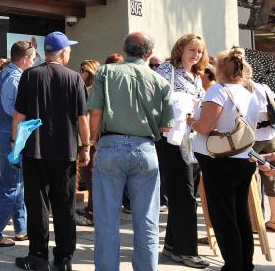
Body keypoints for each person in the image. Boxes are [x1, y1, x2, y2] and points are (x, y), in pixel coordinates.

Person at [89, 32, 174, 271]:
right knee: (147, 221)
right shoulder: (161, 82)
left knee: (106, 220)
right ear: (148, 53)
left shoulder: (106, 72)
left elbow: (95, 112)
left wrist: (94, 141)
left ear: (124, 49)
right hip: (145, 147)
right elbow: (167, 125)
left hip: (110, 143)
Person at [11, 32, 89, 271]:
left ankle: (38, 256)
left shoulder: (29, 76)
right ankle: (65, 258)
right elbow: (82, 118)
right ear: (63, 52)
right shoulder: (75, 78)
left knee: (37, 205)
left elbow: (19, 116)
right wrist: (86, 147)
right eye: (69, 50)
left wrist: (16, 145)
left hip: (35, 151)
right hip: (65, 152)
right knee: (65, 206)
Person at [190, 48, 259, 271]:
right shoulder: (249, 94)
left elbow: (204, 127)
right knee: (240, 216)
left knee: (224, 217)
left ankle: (233, 265)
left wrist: (191, 120)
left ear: (219, 70)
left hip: (219, 161)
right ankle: (244, 264)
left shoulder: (218, 91)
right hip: (243, 159)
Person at [156, 34, 208, 268]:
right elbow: (157, 100)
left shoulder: (196, 75)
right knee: (185, 195)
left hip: (192, 140)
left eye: (199, 51)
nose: (196, 54)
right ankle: (187, 251)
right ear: (180, 48)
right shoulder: (167, 69)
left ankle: (172, 246)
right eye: (192, 49)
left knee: (184, 194)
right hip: (172, 139)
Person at [0, 40, 37, 247]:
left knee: (17, 182)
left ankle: (22, 228)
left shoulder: (3, 74)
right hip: (9, 137)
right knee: (11, 185)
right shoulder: (15, 78)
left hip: (0, 134)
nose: (33, 63)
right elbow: (12, 110)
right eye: (32, 59)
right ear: (24, 58)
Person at [248, 65, 275, 232]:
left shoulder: (241, 88)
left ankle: (255, 222)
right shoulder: (263, 87)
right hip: (270, 135)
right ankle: (273, 220)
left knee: (252, 180)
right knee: (271, 179)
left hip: (253, 138)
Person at [76, 59, 100, 226]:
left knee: (91, 177)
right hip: (84, 138)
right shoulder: (83, 89)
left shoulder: (93, 91)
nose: (81, 72)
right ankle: (90, 210)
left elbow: (90, 117)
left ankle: (92, 213)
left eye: (84, 69)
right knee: (87, 175)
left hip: (91, 139)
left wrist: (92, 141)